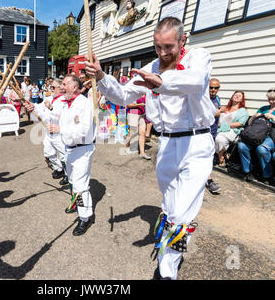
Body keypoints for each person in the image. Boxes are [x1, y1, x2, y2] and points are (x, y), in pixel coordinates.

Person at [86, 17, 215, 280]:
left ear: (183, 40)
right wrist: (101, 76)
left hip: (196, 142)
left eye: (169, 46)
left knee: (180, 213)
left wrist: (161, 82)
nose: (163, 52)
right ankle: (169, 247)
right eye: (158, 47)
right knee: (169, 207)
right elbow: (123, 95)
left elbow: (196, 81)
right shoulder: (150, 66)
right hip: (167, 143)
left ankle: (167, 271)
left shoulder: (199, 57)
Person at [25, 74, 96, 236]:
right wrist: (34, 107)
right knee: (72, 181)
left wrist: (61, 130)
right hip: (69, 148)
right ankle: (78, 205)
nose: (61, 87)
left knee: (80, 186)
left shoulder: (84, 104)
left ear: (75, 87)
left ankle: (85, 217)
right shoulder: (65, 103)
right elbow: (52, 116)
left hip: (83, 149)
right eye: (61, 84)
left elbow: (85, 130)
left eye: (64, 84)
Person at [238, 88, 275, 183]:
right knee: (242, 145)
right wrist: (254, 116)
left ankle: (267, 174)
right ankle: (248, 170)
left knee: (261, 149)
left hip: (273, 135)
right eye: (269, 99)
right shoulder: (264, 108)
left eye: (274, 99)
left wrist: (273, 117)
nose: (271, 101)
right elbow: (250, 124)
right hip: (258, 133)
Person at [30, 78, 68, 185]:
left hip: (59, 133)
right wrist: (31, 105)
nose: (51, 89)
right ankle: (59, 169)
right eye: (50, 87)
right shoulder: (49, 98)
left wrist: (50, 108)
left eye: (53, 87)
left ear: (61, 89)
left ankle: (68, 174)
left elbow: (59, 116)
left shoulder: (65, 101)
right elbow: (39, 107)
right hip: (48, 132)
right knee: (48, 152)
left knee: (63, 155)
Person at [215, 91, 248, 167]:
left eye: (239, 96)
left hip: (232, 130)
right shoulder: (224, 107)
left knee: (219, 139)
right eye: (235, 95)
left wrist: (223, 126)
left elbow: (240, 123)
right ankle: (224, 153)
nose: (237, 96)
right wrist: (219, 111)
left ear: (241, 100)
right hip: (218, 128)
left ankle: (221, 158)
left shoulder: (243, 111)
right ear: (232, 97)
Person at [206, 78, 222, 194]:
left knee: (209, 156)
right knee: (205, 156)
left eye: (215, 88)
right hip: (203, 132)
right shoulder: (203, 98)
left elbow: (218, 113)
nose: (213, 90)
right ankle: (209, 180)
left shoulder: (217, 99)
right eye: (211, 87)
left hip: (213, 131)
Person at [125, 95, 152, 160]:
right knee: (133, 132)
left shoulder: (146, 94)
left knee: (142, 133)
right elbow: (129, 105)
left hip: (142, 115)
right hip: (133, 113)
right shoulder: (134, 93)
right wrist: (139, 104)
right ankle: (127, 146)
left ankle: (142, 153)